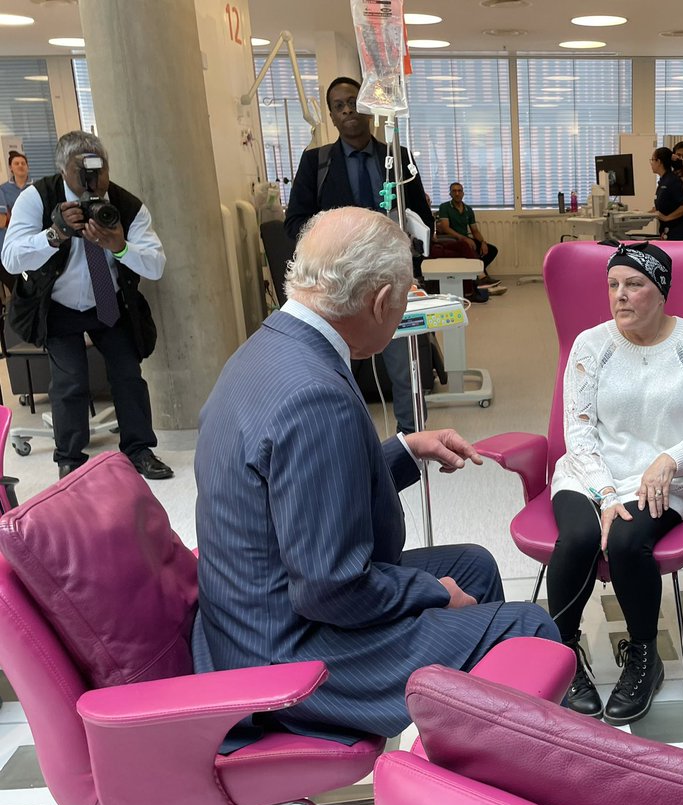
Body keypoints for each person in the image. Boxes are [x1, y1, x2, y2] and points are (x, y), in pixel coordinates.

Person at [192, 206, 558, 741]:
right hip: (288, 657)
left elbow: (303, 490)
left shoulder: (267, 349)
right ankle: (505, 789)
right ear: (382, 300)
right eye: (408, 294)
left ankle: (473, 751)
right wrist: (432, 593)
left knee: (473, 568)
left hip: (250, 620)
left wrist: (404, 449)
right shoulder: (316, 396)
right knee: (528, 631)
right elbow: (331, 588)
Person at [551, 241, 683, 725]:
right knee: (580, 538)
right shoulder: (592, 345)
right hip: (590, 470)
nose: (620, 296)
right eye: (613, 285)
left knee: (629, 542)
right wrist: (606, 494)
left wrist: (672, 457)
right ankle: (562, 656)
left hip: (661, 479)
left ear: (662, 291)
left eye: (635, 285)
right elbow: (579, 429)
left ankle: (644, 658)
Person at [1, 131, 172, 481]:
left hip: (106, 298)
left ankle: (139, 449)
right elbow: (11, 258)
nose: (94, 182)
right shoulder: (37, 198)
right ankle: (70, 461)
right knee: (70, 380)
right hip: (57, 302)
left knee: (127, 372)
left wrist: (121, 246)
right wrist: (54, 234)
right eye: (84, 173)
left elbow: (155, 264)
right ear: (64, 171)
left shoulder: (125, 205)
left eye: (101, 169)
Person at [285, 75, 434, 435]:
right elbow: (295, 225)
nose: (349, 110)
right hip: (337, 284)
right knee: (337, 364)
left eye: (354, 101)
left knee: (403, 362)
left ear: (368, 107)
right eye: (339, 106)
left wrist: (409, 255)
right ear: (332, 116)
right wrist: (340, 236)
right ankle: (343, 435)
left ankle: (411, 434)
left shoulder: (397, 158)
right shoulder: (316, 163)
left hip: (390, 278)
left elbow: (423, 220)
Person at [435, 182, 507, 295]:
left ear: (463, 193)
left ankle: (477, 277)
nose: (457, 193)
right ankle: (482, 278)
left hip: (465, 239)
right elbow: (445, 228)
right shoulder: (444, 207)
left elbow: (475, 230)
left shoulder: (468, 209)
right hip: (453, 239)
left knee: (492, 250)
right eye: (454, 191)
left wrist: (483, 242)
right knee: (468, 246)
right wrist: (464, 239)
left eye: (459, 191)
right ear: (450, 193)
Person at [647, 147, 683, 241]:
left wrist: (667, 218)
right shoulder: (663, 181)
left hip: (679, 234)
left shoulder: (672, 181)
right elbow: (662, 208)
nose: (651, 163)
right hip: (668, 232)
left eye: (652, 160)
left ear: (659, 162)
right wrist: (641, 214)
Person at [0, 150, 32, 293]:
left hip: (31, 245)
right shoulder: (3, 190)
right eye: (16, 163)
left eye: (23, 163)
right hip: (10, 246)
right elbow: (2, 221)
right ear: (10, 168)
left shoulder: (37, 188)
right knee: (16, 290)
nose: (20, 166)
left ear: (28, 166)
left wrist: (12, 215)